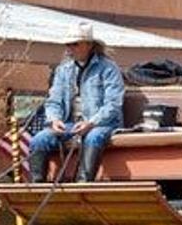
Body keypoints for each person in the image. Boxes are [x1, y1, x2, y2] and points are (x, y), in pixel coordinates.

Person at [27, 21, 125, 183]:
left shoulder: (108, 69)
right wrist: (54, 120)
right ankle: (37, 186)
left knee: (93, 137)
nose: (70, 48)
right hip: (70, 124)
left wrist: (91, 123)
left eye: (75, 44)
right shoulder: (63, 70)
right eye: (68, 44)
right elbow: (53, 101)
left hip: (102, 124)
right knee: (39, 139)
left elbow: (113, 104)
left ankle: (83, 183)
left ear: (89, 45)